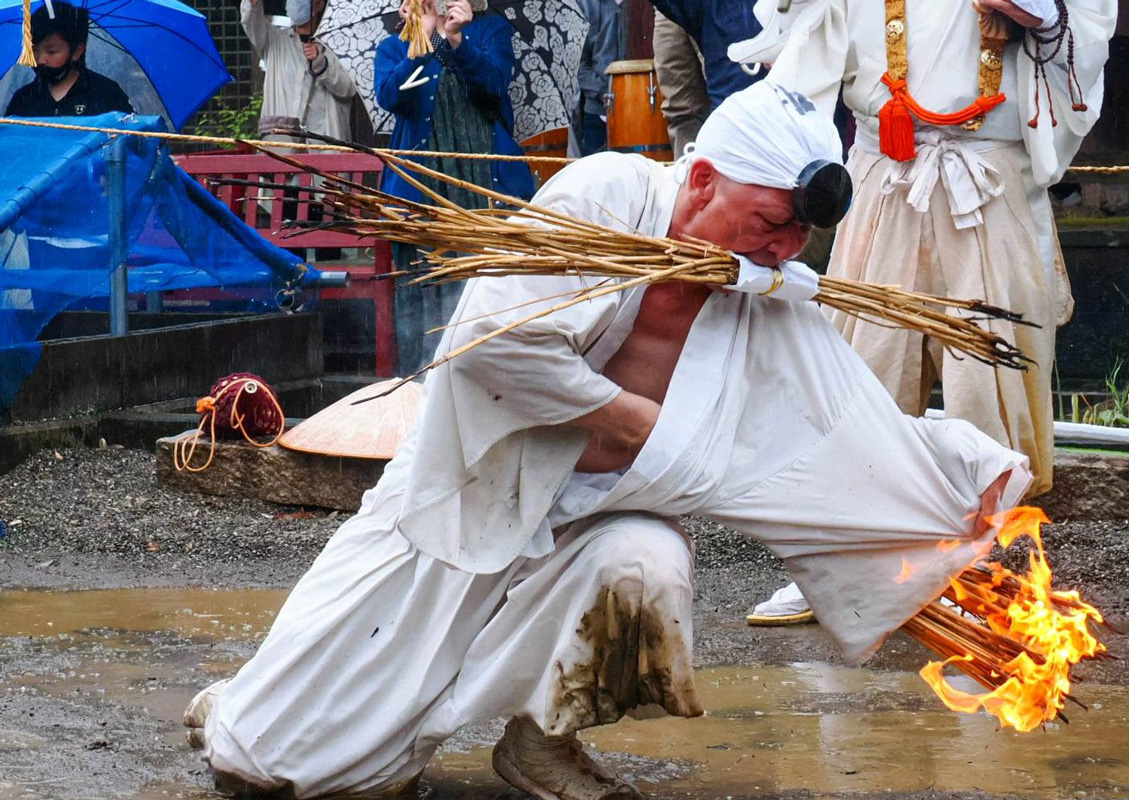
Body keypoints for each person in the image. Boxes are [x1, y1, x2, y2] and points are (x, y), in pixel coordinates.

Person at [182, 80, 1030, 800]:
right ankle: (243, 701)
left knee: (648, 565)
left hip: (598, 520)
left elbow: (845, 428)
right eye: (768, 222)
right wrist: (638, 423)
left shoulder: (765, 293)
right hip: (478, 493)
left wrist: (954, 491)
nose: (781, 249)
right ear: (701, 183)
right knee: (276, 768)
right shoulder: (604, 200)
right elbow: (494, 342)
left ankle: (541, 743)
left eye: (796, 236)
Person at [732, 0, 1116, 625]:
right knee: (856, 368)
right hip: (884, 168)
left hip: (992, 177)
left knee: (988, 381)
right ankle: (839, 560)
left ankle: (975, 565)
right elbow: (803, 56)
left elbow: (1087, 24)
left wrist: (1045, 18)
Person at [375, 0, 534, 375]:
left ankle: (488, 371)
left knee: (485, 282)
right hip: (423, 185)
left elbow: (493, 86)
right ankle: (426, 377)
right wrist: (423, 39)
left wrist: (457, 39)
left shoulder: (491, 31)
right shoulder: (394, 46)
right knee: (426, 281)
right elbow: (391, 97)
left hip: (481, 180)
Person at [651, 0, 762, 157]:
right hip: (668, 15)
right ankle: (689, 174)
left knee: (729, 92)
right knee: (679, 106)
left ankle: (724, 163)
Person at [240, 0, 356, 144]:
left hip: (323, 147)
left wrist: (321, 63)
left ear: (319, 5)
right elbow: (251, 21)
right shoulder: (274, 40)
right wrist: (253, 4)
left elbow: (348, 88)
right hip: (281, 144)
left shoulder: (338, 45)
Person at [5, 3, 132, 118]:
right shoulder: (23, 99)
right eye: (34, 51)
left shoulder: (106, 93)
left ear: (77, 51)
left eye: (51, 52)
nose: (41, 60)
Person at [575, 0, 619, 156]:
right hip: (597, 113)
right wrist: (603, 92)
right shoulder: (585, 5)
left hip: (643, 107)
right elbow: (577, 65)